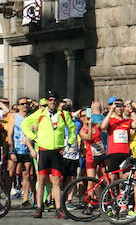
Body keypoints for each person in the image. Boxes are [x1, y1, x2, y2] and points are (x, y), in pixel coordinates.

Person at [21, 90, 77, 219]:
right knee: (41, 181)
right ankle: (39, 208)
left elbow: (73, 130)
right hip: (43, 151)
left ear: (58, 101)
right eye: (50, 100)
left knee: (56, 182)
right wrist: (34, 137)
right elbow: (25, 124)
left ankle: (58, 209)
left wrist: (68, 144)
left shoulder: (64, 114)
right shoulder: (40, 113)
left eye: (55, 100)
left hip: (57, 152)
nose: (52, 102)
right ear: (47, 101)